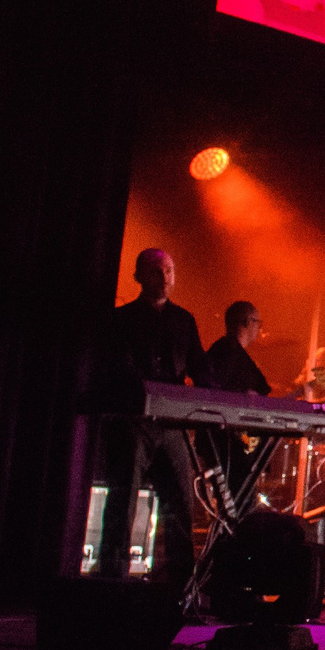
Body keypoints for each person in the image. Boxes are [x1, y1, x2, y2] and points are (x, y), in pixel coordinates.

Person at [97, 248, 207, 584]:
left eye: (170, 271)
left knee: (181, 504)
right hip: (134, 422)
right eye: (157, 272)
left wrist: (228, 395)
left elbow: (200, 368)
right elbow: (117, 368)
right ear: (139, 276)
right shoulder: (121, 320)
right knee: (124, 498)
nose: (165, 279)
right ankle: (113, 578)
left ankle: (180, 586)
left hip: (170, 424)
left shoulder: (184, 321)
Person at [204, 300, 271, 396]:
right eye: (257, 322)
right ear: (247, 322)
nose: (259, 328)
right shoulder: (229, 353)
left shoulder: (222, 349)